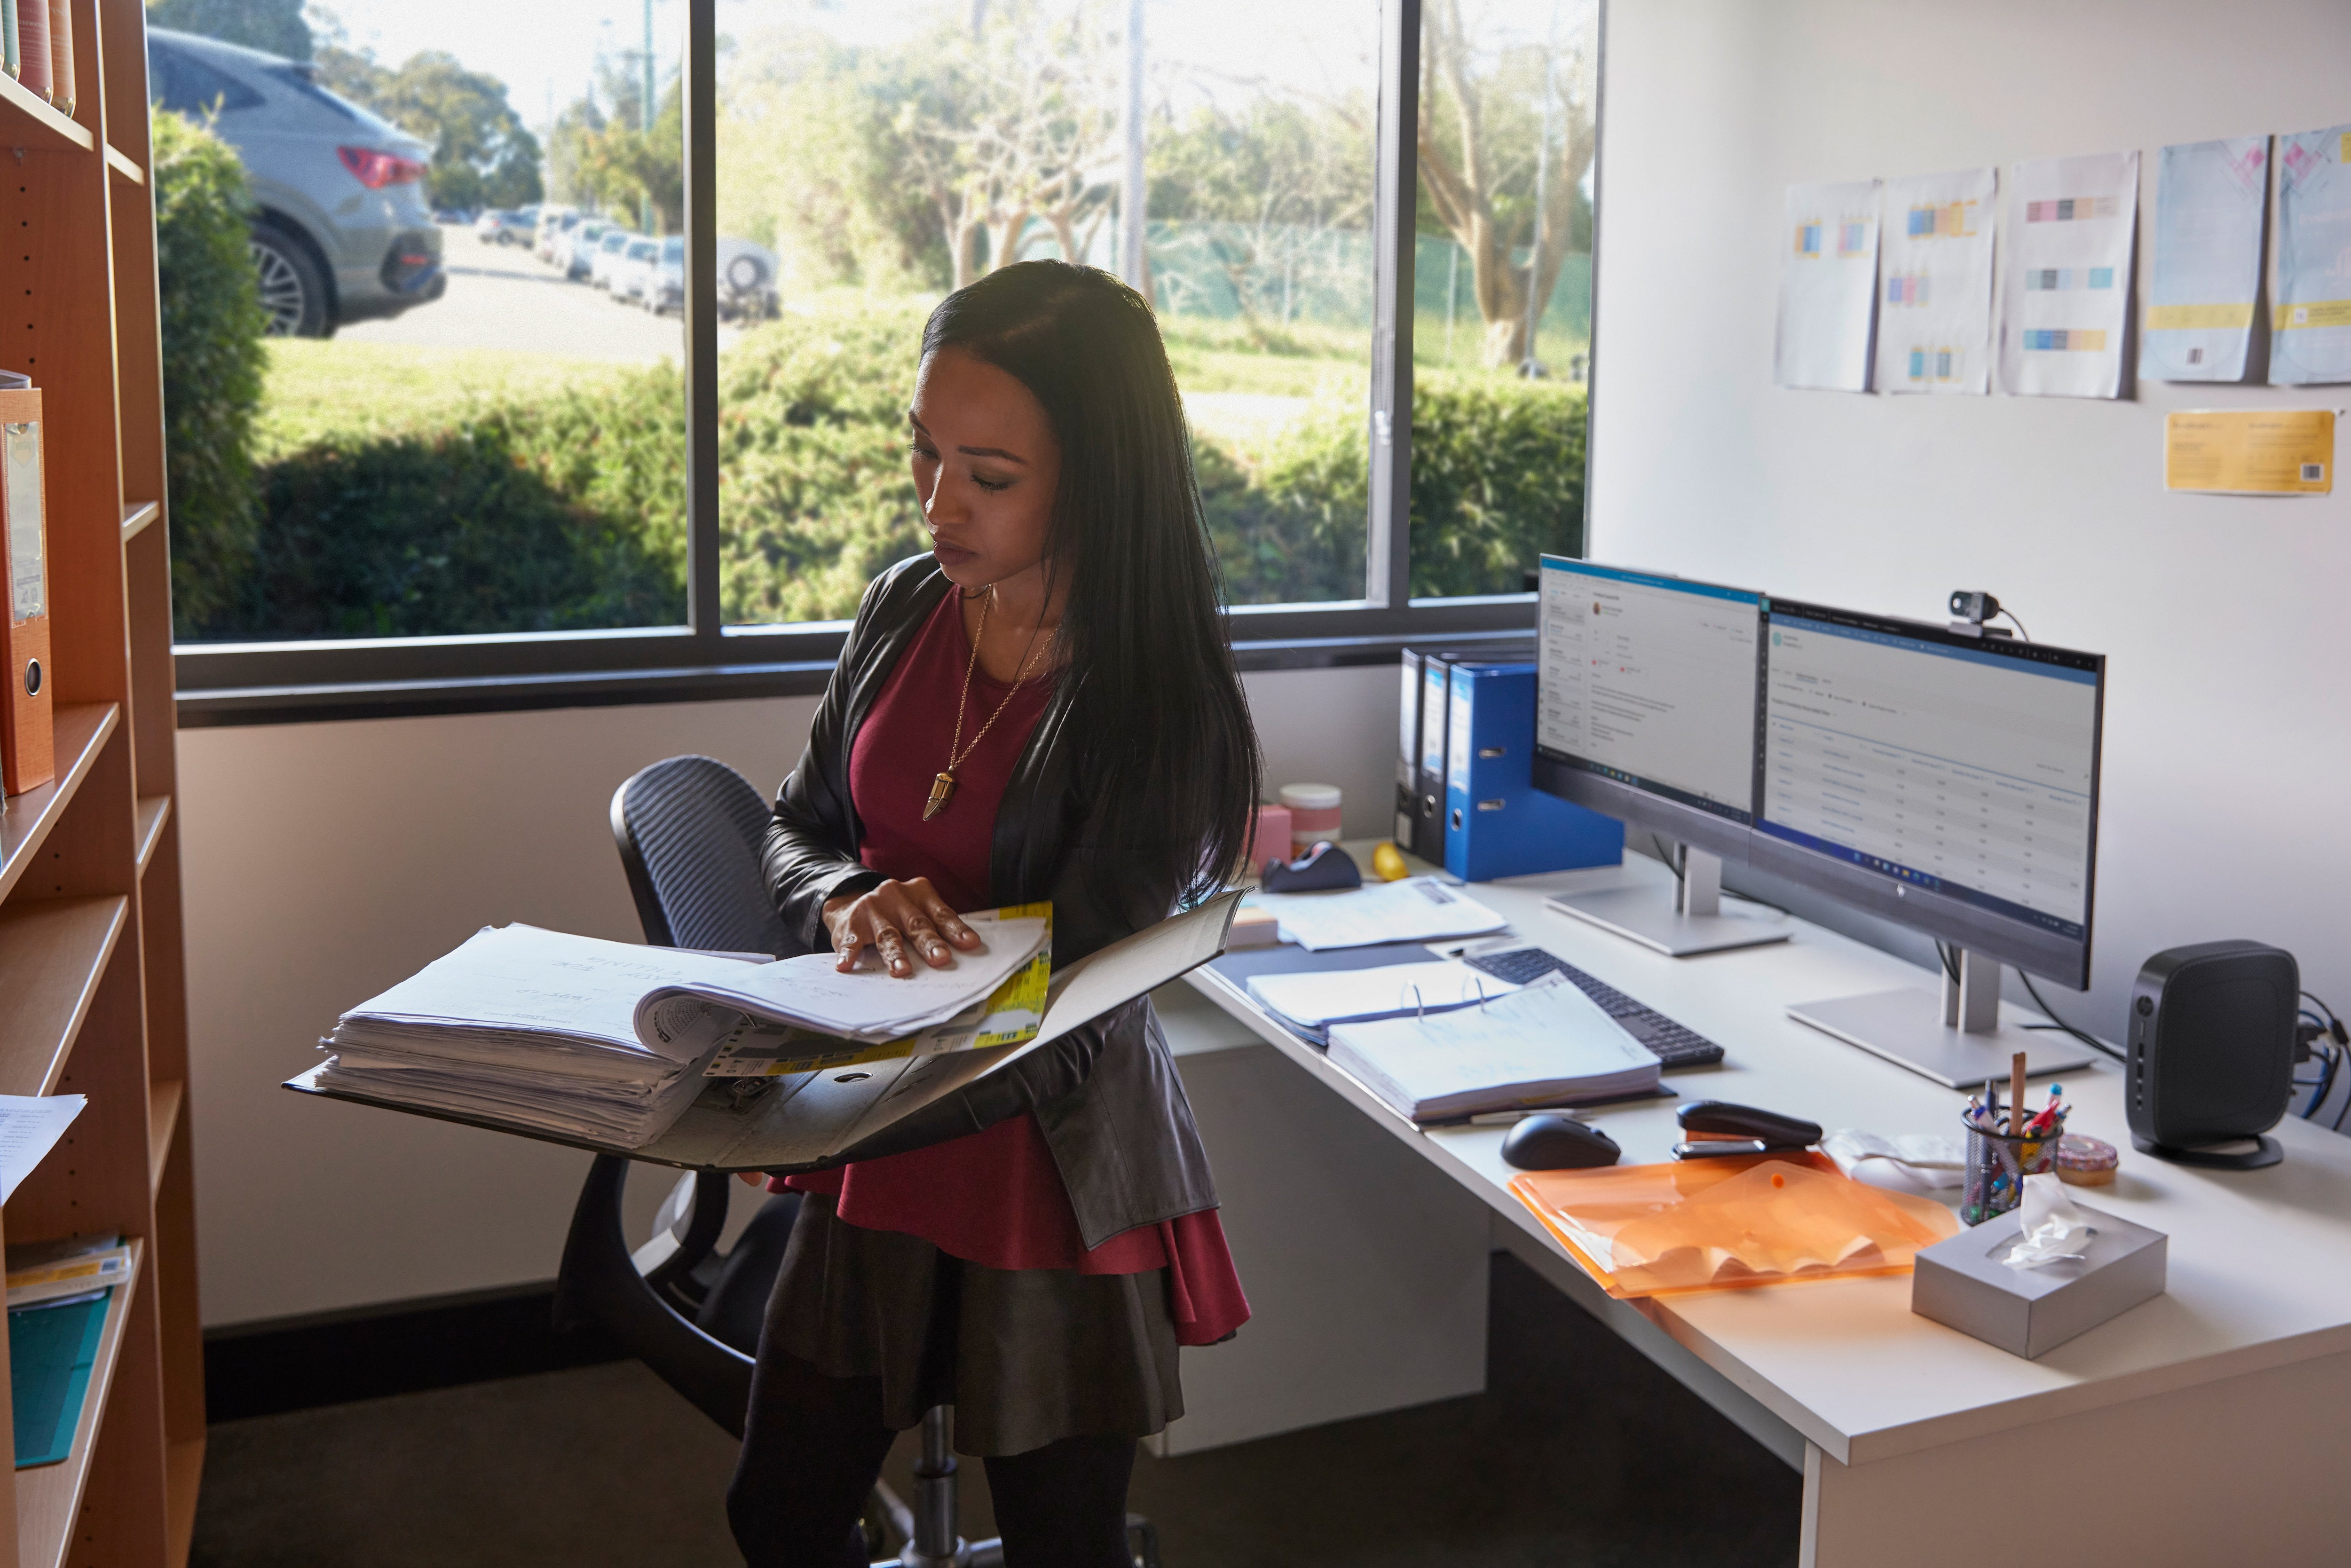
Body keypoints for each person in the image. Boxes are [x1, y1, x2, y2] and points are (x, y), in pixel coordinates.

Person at [728, 260, 1261, 1568]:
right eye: (923, 454)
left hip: (1045, 1147)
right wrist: (850, 893)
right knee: (779, 1513)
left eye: (990, 474)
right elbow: (789, 829)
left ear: (1096, 476)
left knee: (1060, 1543)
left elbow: (1070, 1011)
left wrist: (827, 1100)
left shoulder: (1158, 703)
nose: (937, 502)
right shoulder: (909, 606)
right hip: (880, 1131)